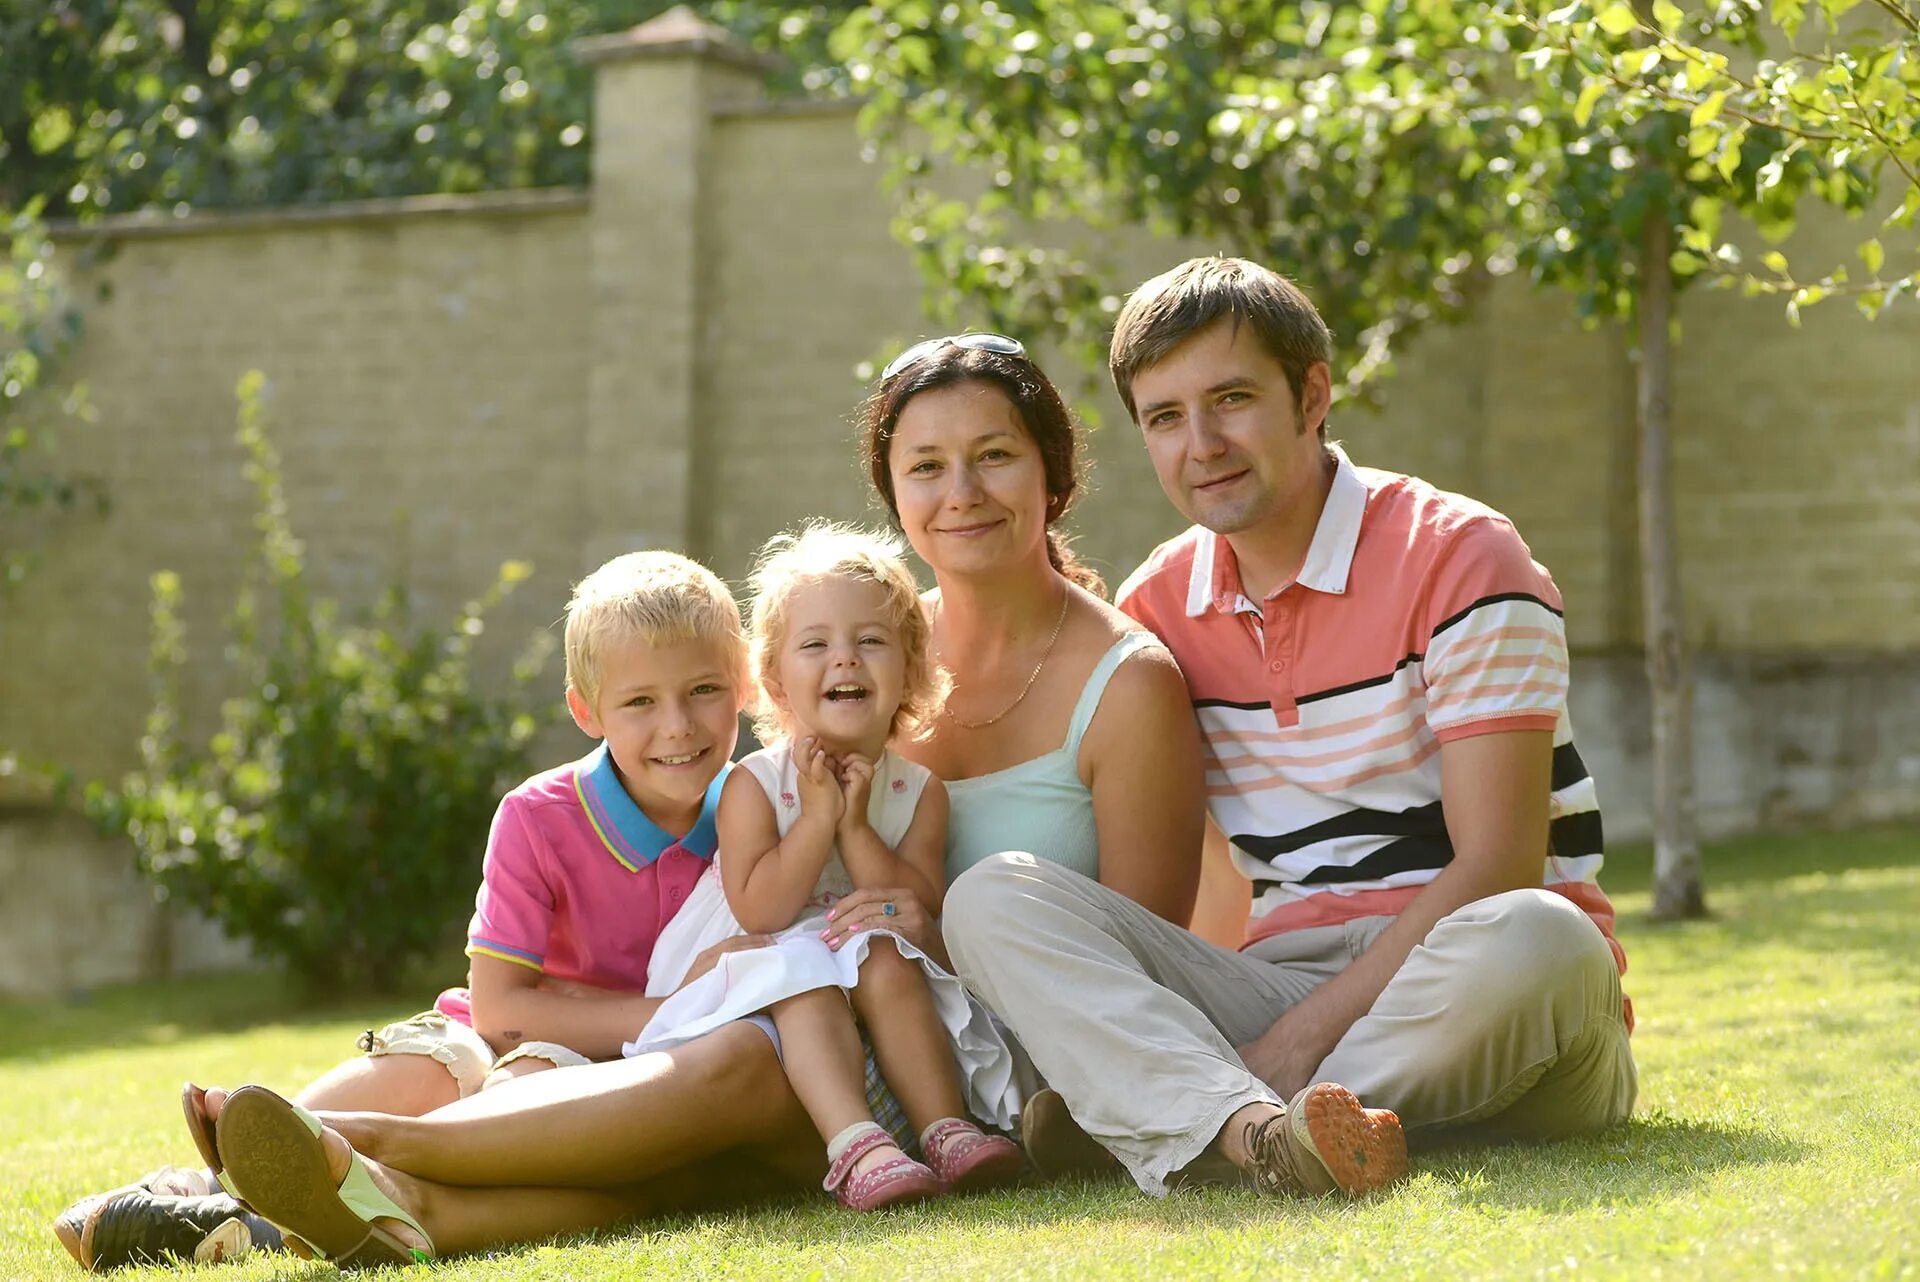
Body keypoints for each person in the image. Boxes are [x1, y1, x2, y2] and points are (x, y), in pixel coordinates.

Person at [96, 334, 1208, 1268]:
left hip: (952, 1060)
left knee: (725, 1063)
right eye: (927, 467)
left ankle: (349, 1145)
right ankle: (371, 1205)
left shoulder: (1119, 679)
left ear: (1056, 473)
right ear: (893, 498)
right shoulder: (863, 640)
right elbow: (748, 808)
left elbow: (1131, 956)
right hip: (803, 1044)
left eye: (995, 457)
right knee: (666, 1122)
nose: (960, 491)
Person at [942, 256, 1636, 1202]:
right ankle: (1263, 1133)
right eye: (1165, 417)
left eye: (1231, 399)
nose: (1203, 444)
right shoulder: (1159, 609)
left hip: (1484, 988)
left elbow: (1498, 867)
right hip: (1281, 981)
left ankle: (1191, 1119)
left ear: (1313, 395)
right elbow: (1199, 886)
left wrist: (1292, 1045)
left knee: (1540, 937)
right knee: (994, 898)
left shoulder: (1461, 557)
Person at [53, 550, 772, 1270]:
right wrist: (671, 1010)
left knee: (534, 1081)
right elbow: (497, 1012)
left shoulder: (768, 815)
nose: (678, 726)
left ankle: (285, 1208)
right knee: (435, 1061)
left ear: (743, 685)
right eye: (641, 702)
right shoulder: (539, 817)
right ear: (586, 709)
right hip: (499, 1030)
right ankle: (221, 1183)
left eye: (704, 690)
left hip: (606, 1075)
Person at [632, 523, 1024, 1210]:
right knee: (806, 975)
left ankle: (944, 1129)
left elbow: (918, 905)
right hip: (758, 954)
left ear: (911, 665)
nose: (844, 660)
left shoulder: (918, 791)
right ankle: (857, 1146)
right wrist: (816, 820)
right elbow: (761, 910)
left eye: (870, 641)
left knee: (885, 955)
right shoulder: (756, 783)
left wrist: (854, 822)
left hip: (860, 949)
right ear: (777, 678)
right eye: (815, 645)